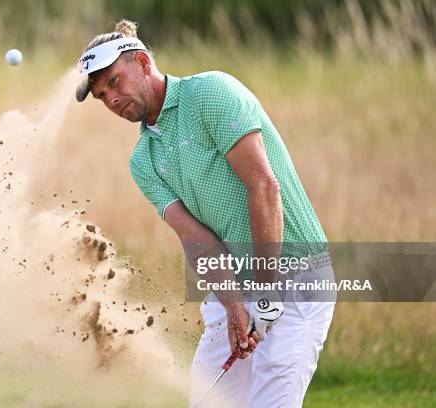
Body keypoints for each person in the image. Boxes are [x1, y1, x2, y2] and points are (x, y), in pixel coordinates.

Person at [75, 19, 335, 408]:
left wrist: (263, 293)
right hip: (232, 288)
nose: (111, 98)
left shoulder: (210, 93)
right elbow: (195, 238)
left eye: (114, 81)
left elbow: (264, 186)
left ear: (144, 63)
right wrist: (233, 305)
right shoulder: (143, 160)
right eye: (100, 94)